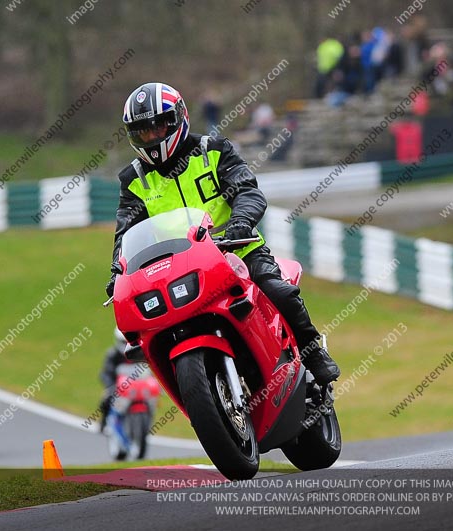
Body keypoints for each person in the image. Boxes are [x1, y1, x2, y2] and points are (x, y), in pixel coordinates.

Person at [106, 82, 340, 385]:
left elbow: (248, 191)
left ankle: (312, 353)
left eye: (159, 126)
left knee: (278, 290)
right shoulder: (134, 179)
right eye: (143, 131)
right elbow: (126, 230)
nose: (153, 137)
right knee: (148, 330)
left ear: (178, 118)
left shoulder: (213, 150)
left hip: (237, 251)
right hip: (177, 270)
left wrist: (240, 223)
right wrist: (117, 272)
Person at [97, 327, 133, 433]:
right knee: (106, 398)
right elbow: (106, 373)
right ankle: (104, 422)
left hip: (137, 386)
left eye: (128, 342)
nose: (126, 345)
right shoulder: (112, 355)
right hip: (118, 387)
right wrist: (111, 386)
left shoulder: (139, 354)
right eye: (124, 342)